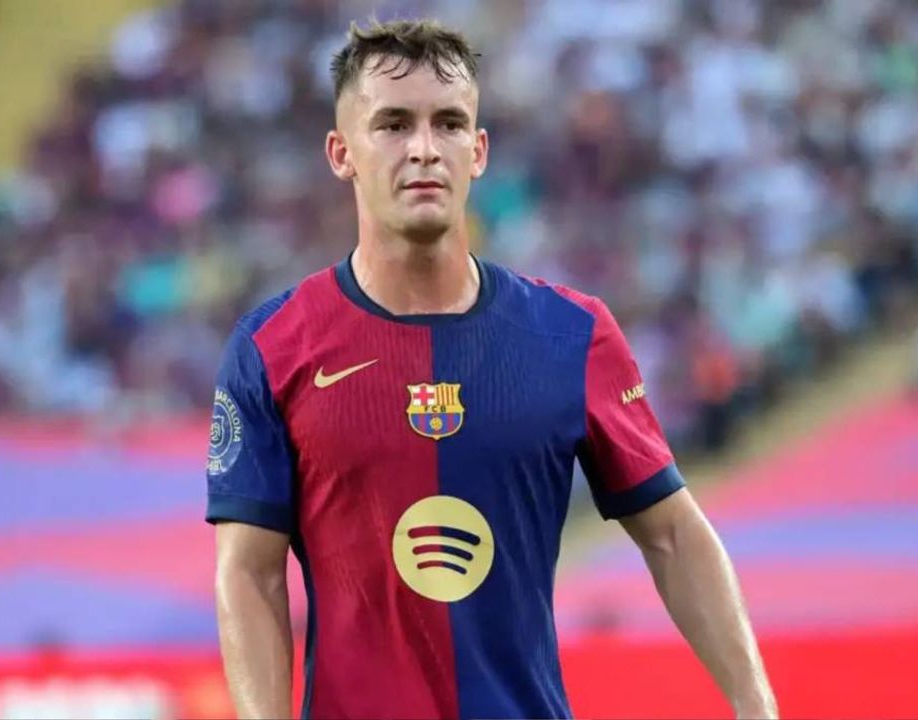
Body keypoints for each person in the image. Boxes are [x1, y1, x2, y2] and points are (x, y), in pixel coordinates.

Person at [207, 18, 777, 720]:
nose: (424, 148)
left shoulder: (572, 335)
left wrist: (758, 705)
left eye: (448, 124)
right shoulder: (272, 347)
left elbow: (674, 534)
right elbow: (249, 574)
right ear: (341, 152)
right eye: (392, 124)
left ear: (477, 152)